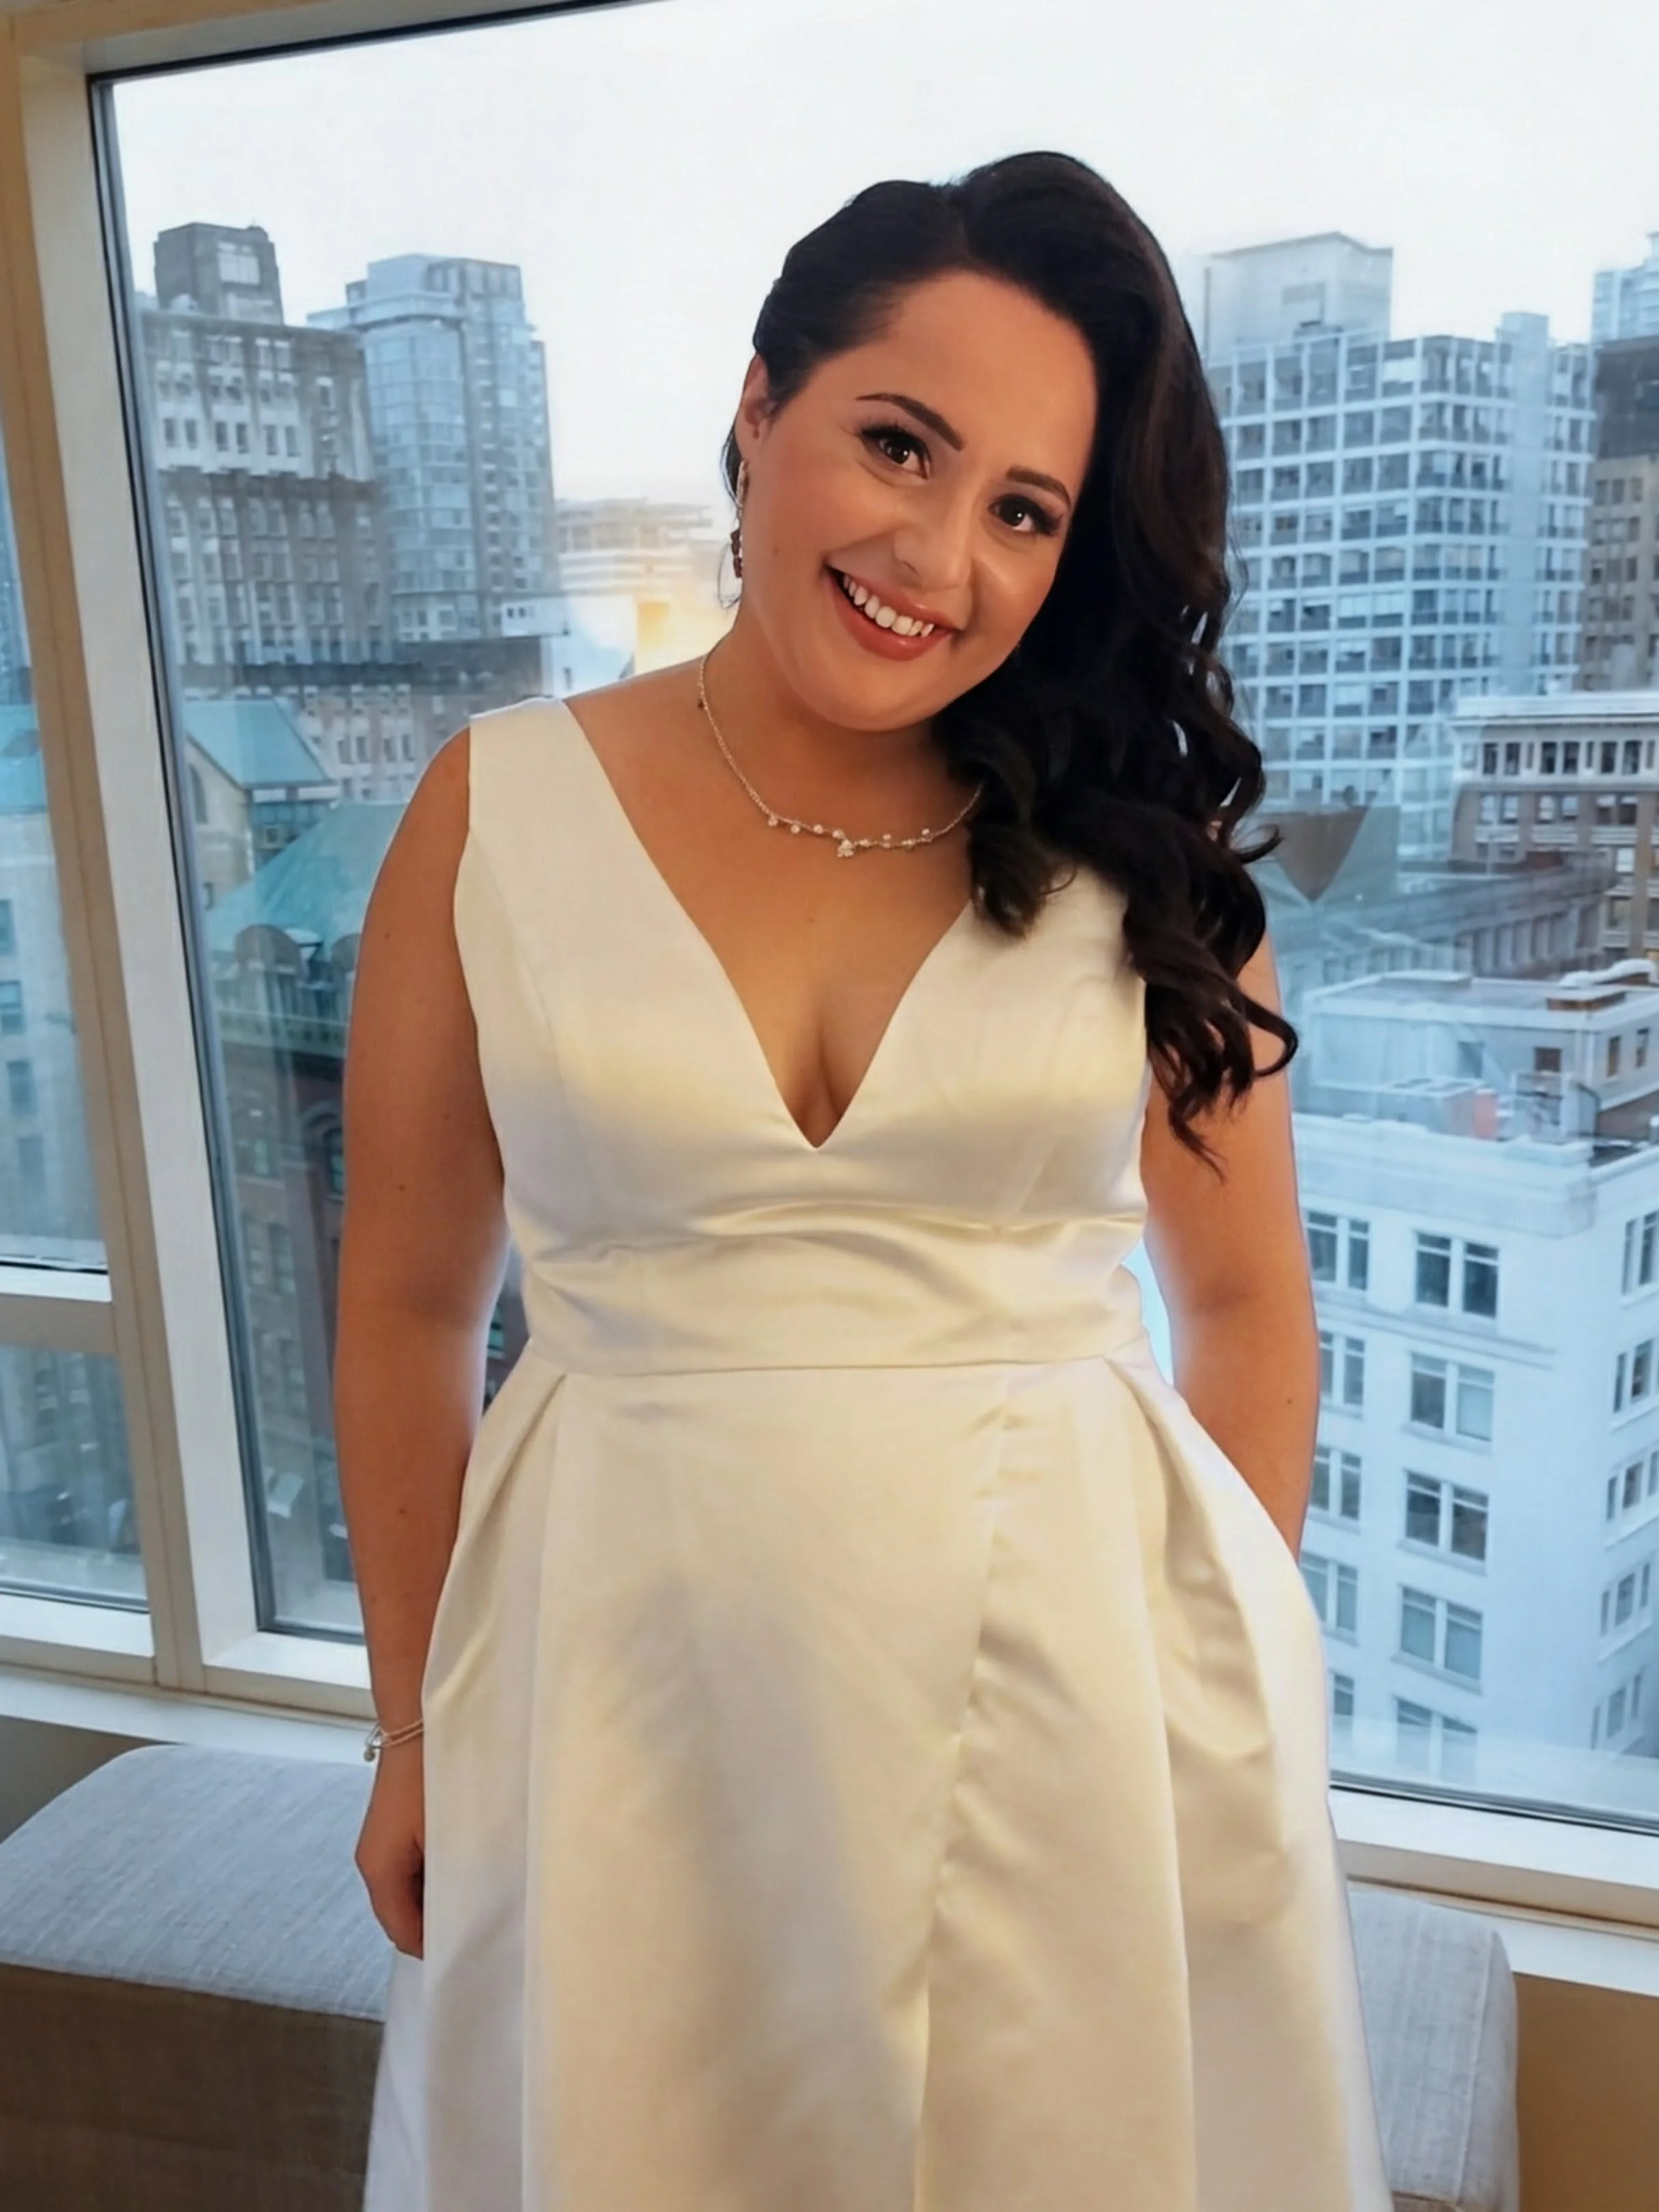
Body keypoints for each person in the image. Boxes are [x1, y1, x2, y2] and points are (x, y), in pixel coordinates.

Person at [341, 149, 1394, 2211]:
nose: (940, 552)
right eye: (894, 445)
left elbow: (1252, 1307)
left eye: (1025, 509)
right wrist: (409, 1724)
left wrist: (1217, 1676)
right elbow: (402, 1301)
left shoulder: (1137, 856)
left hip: (1078, 1703)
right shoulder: (496, 803)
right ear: (757, 409)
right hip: (618, 1685)